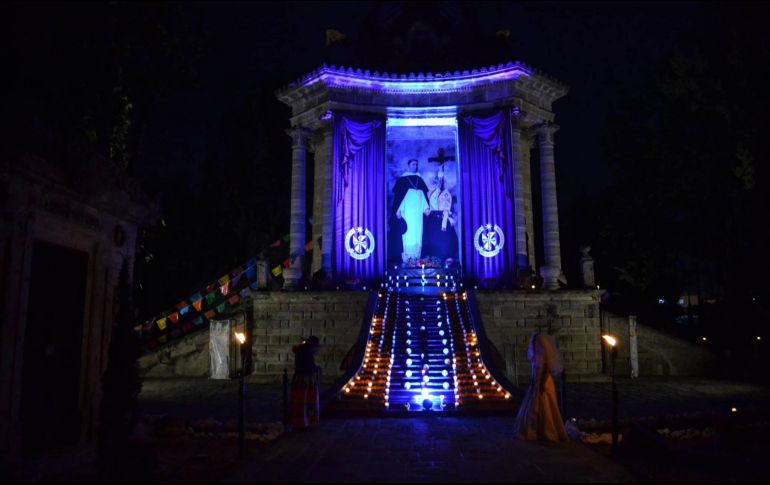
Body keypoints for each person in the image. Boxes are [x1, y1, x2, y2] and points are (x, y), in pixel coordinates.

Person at [513, 332, 568, 441]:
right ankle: (535, 429)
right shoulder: (536, 356)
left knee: (544, 406)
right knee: (534, 406)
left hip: (543, 382)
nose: (533, 344)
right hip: (536, 382)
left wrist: (542, 383)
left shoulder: (544, 358)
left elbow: (546, 370)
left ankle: (546, 430)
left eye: (535, 343)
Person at [391, 159, 430, 263]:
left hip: (418, 212)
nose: (415, 166)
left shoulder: (419, 179)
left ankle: (417, 257)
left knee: (418, 232)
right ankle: (407, 257)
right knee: (408, 232)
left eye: (416, 164)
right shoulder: (403, 179)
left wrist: (426, 208)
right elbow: (399, 198)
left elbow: (423, 196)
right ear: (409, 166)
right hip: (407, 211)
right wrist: (398, 210)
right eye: (413, 164)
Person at [421, 175, 458, 262]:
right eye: (436, 182)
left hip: (443, 219)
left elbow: (447, 207)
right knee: (431, 239)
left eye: (440, 182)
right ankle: (432, 259)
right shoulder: (430, 193)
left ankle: (446, 258)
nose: (437, 184)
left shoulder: (446, 194)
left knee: (445, 240)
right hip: (432, 220)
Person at [288, 335, 321, 430]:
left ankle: (301, 422)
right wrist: (316, 369)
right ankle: (304, 422)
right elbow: (308, 366)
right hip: (306, 379)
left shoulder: (302, 351)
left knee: (300, 402)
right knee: (305, 402)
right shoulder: (307, 352)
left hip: (299, 378)